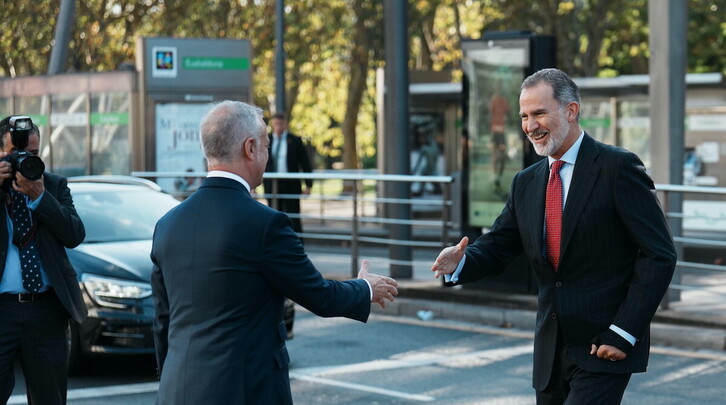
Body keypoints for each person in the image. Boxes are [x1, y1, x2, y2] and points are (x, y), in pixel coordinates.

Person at [431, 69, 676, 405]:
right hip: (549, 350)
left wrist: (624, 332)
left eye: (540, 113)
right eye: (524, 116)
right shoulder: (526, 182)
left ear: (571, 111)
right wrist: (461, 262)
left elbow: (659, 254)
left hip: (604, 345)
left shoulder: (618, 168)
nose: (531, 126)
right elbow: (501, 244)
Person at [150, 101, 399, 405]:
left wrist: (170, 379)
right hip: (246, 391)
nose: (268, 155)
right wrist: (364, 288)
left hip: (177, 389)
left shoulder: (167, 224)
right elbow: (317, 294)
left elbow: (163, 320)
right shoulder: (266, 224)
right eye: (267, 145)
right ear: (251, 148)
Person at [0, 118, 86, 405]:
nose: (25, 159)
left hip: (47, 310)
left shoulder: (53, 185)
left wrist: (40, 197)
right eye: (16, 151)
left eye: (34, 154)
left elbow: (74, 234)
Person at [263, 112, 313, 235]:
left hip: (291, 184)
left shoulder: (295, 140)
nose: (278, 126)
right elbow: (261, 162)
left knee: (293, 216)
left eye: (281, 124)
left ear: (285, 124)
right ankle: (274, 244)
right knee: (272, 215)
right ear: (272, 125)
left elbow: (305, 163)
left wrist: (308, 185)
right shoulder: (266, 140)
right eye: (276, 124)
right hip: (272, 184)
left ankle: (297, 244)